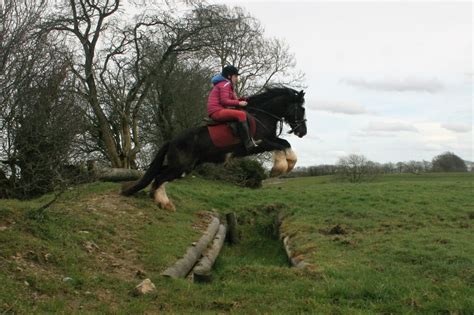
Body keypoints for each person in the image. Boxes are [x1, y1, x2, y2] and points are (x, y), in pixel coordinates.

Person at [207, 65, 258, 151]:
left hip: (220, 110)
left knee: (241, 112)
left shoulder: (228, 85)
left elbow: (235, 100)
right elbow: (224, 101)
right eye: (235, 76)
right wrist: (239, 103)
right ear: (229, 76)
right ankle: (247, 143)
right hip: (216, 111)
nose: (237, 79)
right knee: (241, 115)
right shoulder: (225, 84)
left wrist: (244, 100)